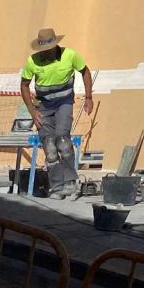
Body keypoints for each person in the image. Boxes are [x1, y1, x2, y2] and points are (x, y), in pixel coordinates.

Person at [19, 28, 94, 200]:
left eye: (49, 48)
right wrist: (32, 110)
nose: (45, 52)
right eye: (42, 49)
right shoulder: (33, 61)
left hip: (64, 103)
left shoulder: (70, 55)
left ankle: (71, 183)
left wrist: (88, 97)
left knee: (62, 139)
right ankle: (57, 187)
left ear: (55, 45)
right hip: (44, 106)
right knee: (50, 147)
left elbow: (85, 72)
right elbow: (24, 85)